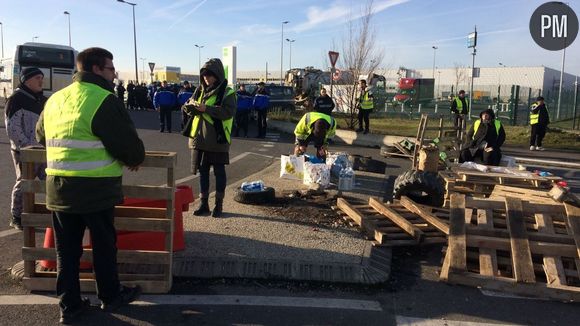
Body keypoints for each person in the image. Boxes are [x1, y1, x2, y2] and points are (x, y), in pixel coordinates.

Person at [35, 47, 144, 324]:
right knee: (104, 245)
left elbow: (40, 134)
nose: (113, 74)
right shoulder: (103, 99)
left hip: (59, 188)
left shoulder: (56, 98)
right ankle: (110, 295)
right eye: (110, 69)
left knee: (66, 250)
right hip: (96, 189)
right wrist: (132, 159)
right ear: (96, 69)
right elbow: (130, 148)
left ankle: (69, 305)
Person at [182, 58, 236, 218]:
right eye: (204, 75)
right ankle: (203, 204)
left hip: (217, 139)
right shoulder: (199, 90)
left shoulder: (228, 92)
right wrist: (188, 108)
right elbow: (190, 107)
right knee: (203, 172)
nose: (206, 78)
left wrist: (206, 108)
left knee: (219, 172)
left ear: (218, 75)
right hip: (199, 139)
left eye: (210, 75)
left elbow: (228, 112)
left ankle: (218, 205)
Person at [5, 67, 47, 230]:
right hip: (24, 153)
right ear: (26, 80)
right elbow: (12, 128)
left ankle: (60, 213)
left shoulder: (42, 100)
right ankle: (17, 216)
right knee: (23, 183)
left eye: (41, 78)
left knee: (51, 180)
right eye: (37, 78)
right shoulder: (16, 99)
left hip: (43, 151)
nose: (41, 81)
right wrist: (27, 147)